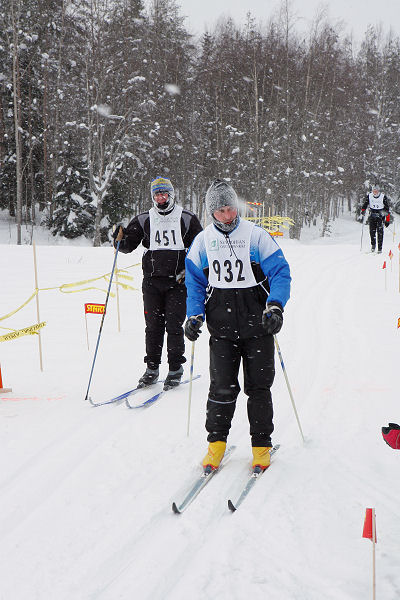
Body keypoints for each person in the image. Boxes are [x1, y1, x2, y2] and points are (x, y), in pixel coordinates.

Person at [184, 179, 291, 471]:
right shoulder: (203, 241)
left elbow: (281, 272)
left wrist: (275, 305)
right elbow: (194, 283)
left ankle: (261, 447)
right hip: (222, 329)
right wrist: (194, 316)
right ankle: (216, 445)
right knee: (221, 388)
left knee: (258, 388)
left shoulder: (256, 236)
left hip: (259, 325)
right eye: (220, 211)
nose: (227, 215)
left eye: (230, 208)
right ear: (211, 213)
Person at [113, 177, 202, 390]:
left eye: (164, 194)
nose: (160, 198)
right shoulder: (145, 219)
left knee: (173, 326)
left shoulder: (186, 217)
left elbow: (200, 246)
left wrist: (192, 272)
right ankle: (151, 369)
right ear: (152, 197)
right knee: (153, 327)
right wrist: (118, 239)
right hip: (152, 282)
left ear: (171, 195)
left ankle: (175, 369)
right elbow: (126, 246)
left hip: (177, 282)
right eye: (157, 194)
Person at [361, 184, 391, 253]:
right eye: (374, 191)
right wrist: (363, 210)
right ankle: (373, 245)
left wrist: (387, 220)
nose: (375, 192)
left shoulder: (383, 197)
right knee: (372, 232)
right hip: (372, 215)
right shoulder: (370, 196)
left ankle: (379, 248)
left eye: (376, 191)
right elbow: (365, 204)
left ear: (378, 191)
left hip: (380, 216)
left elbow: (387, 209)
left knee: (380, 233)